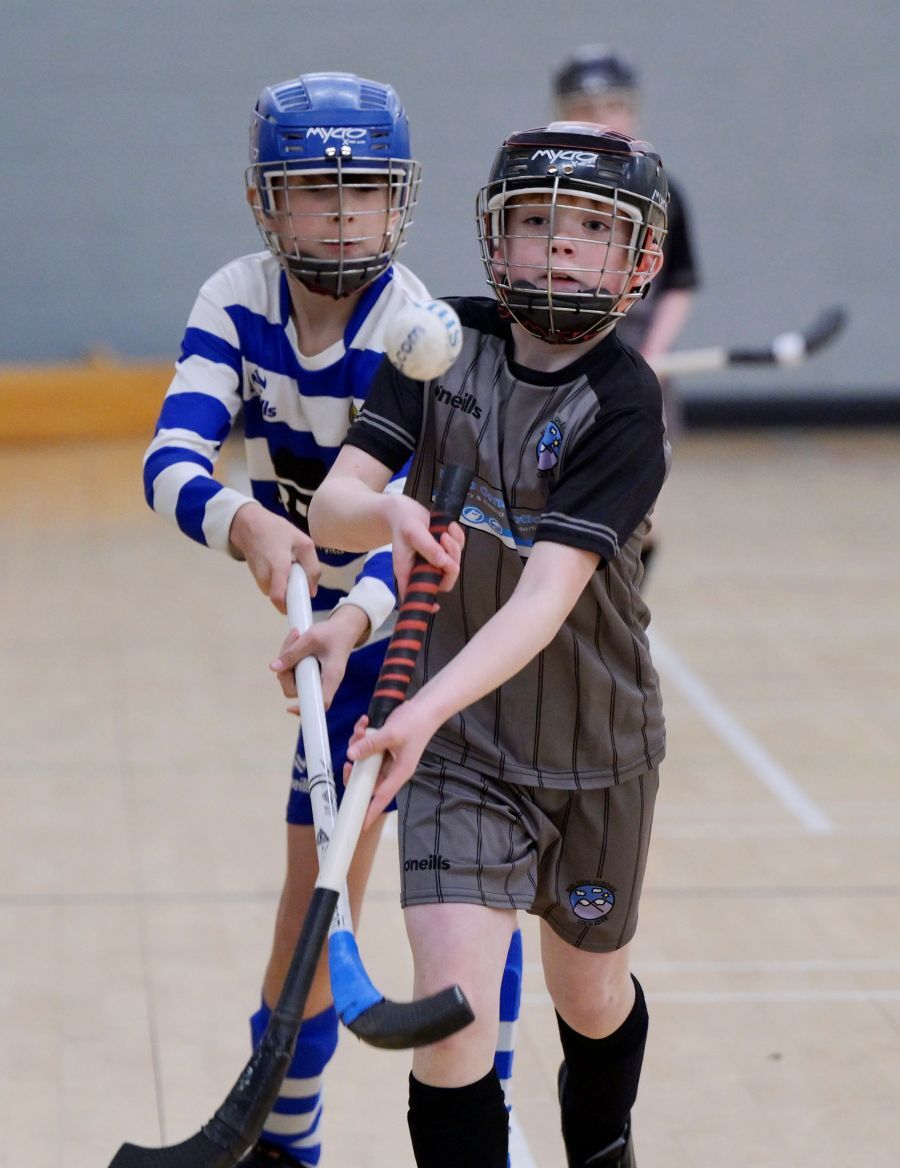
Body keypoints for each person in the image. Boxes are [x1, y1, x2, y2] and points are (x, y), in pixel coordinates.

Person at [142, 71, 521, 1167]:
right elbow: (170, 459)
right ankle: (285, 1146)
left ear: (400, 201)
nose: (345, 213)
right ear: (269, 200)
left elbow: (434, 535)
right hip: (332, 638)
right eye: (317, 189)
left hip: (435, 628)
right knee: (312, 907)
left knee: (465, 896)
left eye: (365, 191)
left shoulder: (422, 330)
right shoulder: (235, 299)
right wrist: (244, 526)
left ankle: (476, 1123)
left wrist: (354, 606)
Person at [293, 121, 670, 1168]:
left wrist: (408, 710)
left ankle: (603, 1149)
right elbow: (335, 506)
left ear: (634, 257)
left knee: (589, 999)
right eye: (539, 221)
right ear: (496, 238)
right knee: (450, 1017)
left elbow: (543, 600)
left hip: (598, 749)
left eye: (590, 228)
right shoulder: (440, 341)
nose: (559, 247)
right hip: (462, 748)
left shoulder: (626, 407)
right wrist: (393, 522)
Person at [554, 44, 699, 573]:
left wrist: (654, 356)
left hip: (637, 368)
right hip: (560, 367)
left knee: (639, 512)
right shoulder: (541, 189)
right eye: (586, 108)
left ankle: (618, 611)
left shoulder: (660, 190)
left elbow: (680, 282)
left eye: (614, 106)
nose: (602, 120)